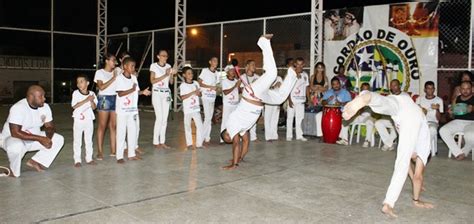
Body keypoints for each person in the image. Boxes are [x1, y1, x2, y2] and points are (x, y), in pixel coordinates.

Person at [343, 85, 434, 218]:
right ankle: (388, 204)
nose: (413, 159)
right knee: (401, 164)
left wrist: (419, 184)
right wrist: (417, 200)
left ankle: (366, 96)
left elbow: (412, 172)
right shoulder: (425, 148)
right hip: (412, 116)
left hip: (403, 101)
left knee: (383, 103)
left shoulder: (414, 140)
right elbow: (417, 177)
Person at [221, 34, 298, 170]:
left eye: (228, 139)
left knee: (271, 74)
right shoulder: (241, 129)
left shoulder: (231, 125)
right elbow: (245, 143)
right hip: (259, 98)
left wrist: (234, 164)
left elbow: (236, 145)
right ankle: (292, 74)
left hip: (252, 94)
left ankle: (263, 42)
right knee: (279, 98)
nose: (232, 139)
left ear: (227, 133)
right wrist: (239, 158)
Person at [1, 85, 64, 177]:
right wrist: (40, 139)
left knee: (58, 139)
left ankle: (35, 161)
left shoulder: (45, 107)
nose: (44, 98)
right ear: (31, 97)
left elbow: (50, 127)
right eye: (41, 96)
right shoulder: (18, 108)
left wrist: (47, 139)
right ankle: (13, 171)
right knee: (16, 146)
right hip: (11, 139)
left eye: (44, 95)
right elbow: (15, 132)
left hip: (33, 138)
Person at [115, 57, 151, 163]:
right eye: (132, 66)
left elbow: (136, 92)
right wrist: (132, 89)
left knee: (132, 132)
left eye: (134, 66)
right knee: (121, 133)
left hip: (132, 111)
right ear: (125, 66)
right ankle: (119, 156)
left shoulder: (134, 78)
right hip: (122, 111)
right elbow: (120, 93)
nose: (133, 68)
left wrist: (142, 92)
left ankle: (131, 154)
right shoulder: (119, 78)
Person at [440, 81, 474, 160]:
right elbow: (452, 115)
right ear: (460, 89)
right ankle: (458, 152)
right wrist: (450, 113)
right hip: (458, 122)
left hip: (472, 122)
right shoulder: (456, 99)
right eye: (463, 88)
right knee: (443, 130)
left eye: (468, 88)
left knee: (471, 136)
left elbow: (471, 109)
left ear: (472, 89)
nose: (465, 91)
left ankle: (464, 152)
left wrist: (471, 109)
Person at [150, 50, 176, 149]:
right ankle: (155, 141)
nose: (165, 57)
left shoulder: (168, 66)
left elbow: (171, 83)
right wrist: (165, 74)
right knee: (159, 118)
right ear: (158, 56)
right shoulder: (154, 66)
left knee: (165, 119)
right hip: (157, 93)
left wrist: (172, 74)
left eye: (166, 56)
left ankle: (162, 141)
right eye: (163, 55)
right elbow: (152, 81)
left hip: (166, 93)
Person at [94, 53, 118, 160]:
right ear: (107, 61)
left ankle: (114, 150)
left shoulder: (116, 71)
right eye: (113, 60)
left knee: (113, 126)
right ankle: (100, 151)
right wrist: (114, 78)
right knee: (102, 126)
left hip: (115, 98)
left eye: (115, 60)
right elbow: (101, 87)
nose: (115, 62)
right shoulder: (100, 72)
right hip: (104, 98)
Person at [71, 74, 98, 167]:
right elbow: (74, 106)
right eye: (78, 82)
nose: (79, 84)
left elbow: (94, 108)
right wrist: (86, 100)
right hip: (78, 120)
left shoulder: (92, 94)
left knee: (88, 140)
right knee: (77, 140)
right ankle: (77, 160)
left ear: (87, 83)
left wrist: (91, 101)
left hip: (89, 120)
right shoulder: (75, 93)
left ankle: (89, 158)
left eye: (81, 82)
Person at [416, 81, 443, 156]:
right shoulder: (419, 99)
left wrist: (437, 109)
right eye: (428, 88)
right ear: (425, 90)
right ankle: (417, 148)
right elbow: (415, 113)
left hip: (432, 122)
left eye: (432, 88)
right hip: (421, 121)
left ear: (434, 89)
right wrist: (420, 109)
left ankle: (423, 148)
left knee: (432, 130)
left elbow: (439, 119)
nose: (430, 90)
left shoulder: (439, 100)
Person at [180, 66, 205, 150]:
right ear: (184, 75)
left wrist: (198, 94)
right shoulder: (183, 85)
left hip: (196, 108)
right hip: (187, 109)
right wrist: (193, 92)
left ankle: (199, 144)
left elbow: (200, 94)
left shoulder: (195, 83)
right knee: (187, 126)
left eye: (192, 73)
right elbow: (182, 97)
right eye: (189, 73)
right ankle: (189, 144)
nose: (191, 75)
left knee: (200, 126)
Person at [375, 79, 403, 151]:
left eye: (395, 85)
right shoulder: (389, 97)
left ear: (399, 86)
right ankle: (389, 143)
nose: (393, 87)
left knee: (396, 127)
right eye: (391, 86)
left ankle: (387, 144)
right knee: (378, 123)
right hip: (390, 119)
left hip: (401, 120)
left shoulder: (404, 96)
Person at [345, 82, 376, 147]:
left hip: (368, 116)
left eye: (366, 90)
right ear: (361, 90)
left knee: (369, 122)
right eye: (363, 90)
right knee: (345, 120)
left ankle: (367, 141)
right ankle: (344, 139)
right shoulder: (357, 97)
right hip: (359, 116)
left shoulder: (373, 97)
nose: (364, 92)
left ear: (369, 90)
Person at [286, 57, 309, 142]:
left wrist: (308, 98)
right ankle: (289, 135)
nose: (299, 66)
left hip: (301, 101)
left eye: (301, 64)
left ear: (303, 65)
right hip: (292, 100)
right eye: (297, 64)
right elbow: (287, 88)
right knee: (290, 118)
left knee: (300, 118)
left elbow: (307, 87)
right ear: (295, 64)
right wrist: (289, 100)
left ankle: (299, 135)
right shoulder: (291, 74)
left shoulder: (305, 75)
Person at [198, 57, 220, 146]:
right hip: (205, 96)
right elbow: (200, 82)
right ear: (210, 62)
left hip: (212, 97)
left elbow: (217, 85)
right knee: (207, 117)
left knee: (210, 118)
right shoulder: (205, 71)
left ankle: (207, 138)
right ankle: (201, 138)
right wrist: (210, 87)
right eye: (214, 61)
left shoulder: (217, 73)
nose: (216, 62)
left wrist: (217, 89)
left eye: (217, 61)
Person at [241, 60, 261, 141]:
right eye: (252, 65)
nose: (254, 66)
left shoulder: (258, 77)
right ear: (247, 66)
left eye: (254, 65)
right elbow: (241, 90)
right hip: (245, 102)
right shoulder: (242, 77)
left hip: (255, 102)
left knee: (254, 120)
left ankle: (253, 137)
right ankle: (242, 136)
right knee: (243, 119)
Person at [220, 65, 241, 143]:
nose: (233, 72)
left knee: (235, 121)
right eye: (231, 71)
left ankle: (235, 137)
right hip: (228, 105)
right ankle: (222, 139)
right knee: (225, 121)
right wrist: (235, 86)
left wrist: (238, 86)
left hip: (235, 104)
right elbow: (225, 92)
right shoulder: (224, 81)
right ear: (227, 73)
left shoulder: (236, 80)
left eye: (233, 70)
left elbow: (238, 91)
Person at [264, 75, 283, 141]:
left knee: (275, 118)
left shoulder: (279, 78)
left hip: (276, 100)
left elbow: (281, 90)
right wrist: (273, 86)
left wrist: (279, 102)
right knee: (268, 119)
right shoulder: (266, 77)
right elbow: (264, 89)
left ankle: (274, 135)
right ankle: (268, 136)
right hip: (268, 100)